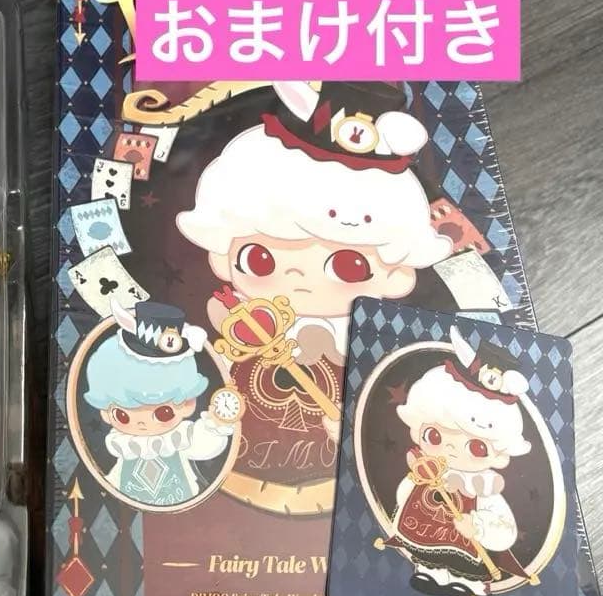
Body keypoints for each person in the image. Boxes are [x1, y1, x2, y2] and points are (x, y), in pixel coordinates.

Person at [176, 82, 453, 483]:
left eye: (348, 266)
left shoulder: (369, 344)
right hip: (234, 466)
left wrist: (355, 432)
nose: (295, 278)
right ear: (222, 252)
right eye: (260, 258)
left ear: (395, 274)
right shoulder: (241, 323)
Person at [381, 327, 533, 596]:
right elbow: (406, 495)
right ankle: (430, 573)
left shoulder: (482, 487)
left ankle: (469, 584)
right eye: (434, 436)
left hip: (469, 549)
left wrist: (479, 527)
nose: (451, 449)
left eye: (476, 447)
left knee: (466, 568)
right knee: (429, 560)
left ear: (498, 455)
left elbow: (504, 527)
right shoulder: (428, 470)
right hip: (427, 537)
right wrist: (409, 491)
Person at [82, 301, 232, 507]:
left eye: (163, 413)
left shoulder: (179, 439)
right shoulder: (126, 446)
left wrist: (216, 424)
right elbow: (114, 481)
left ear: (188, 404)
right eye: (122, 415)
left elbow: (206, 447)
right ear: (106, 413)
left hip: (182, 506)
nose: (142, 423)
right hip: (130, 511)